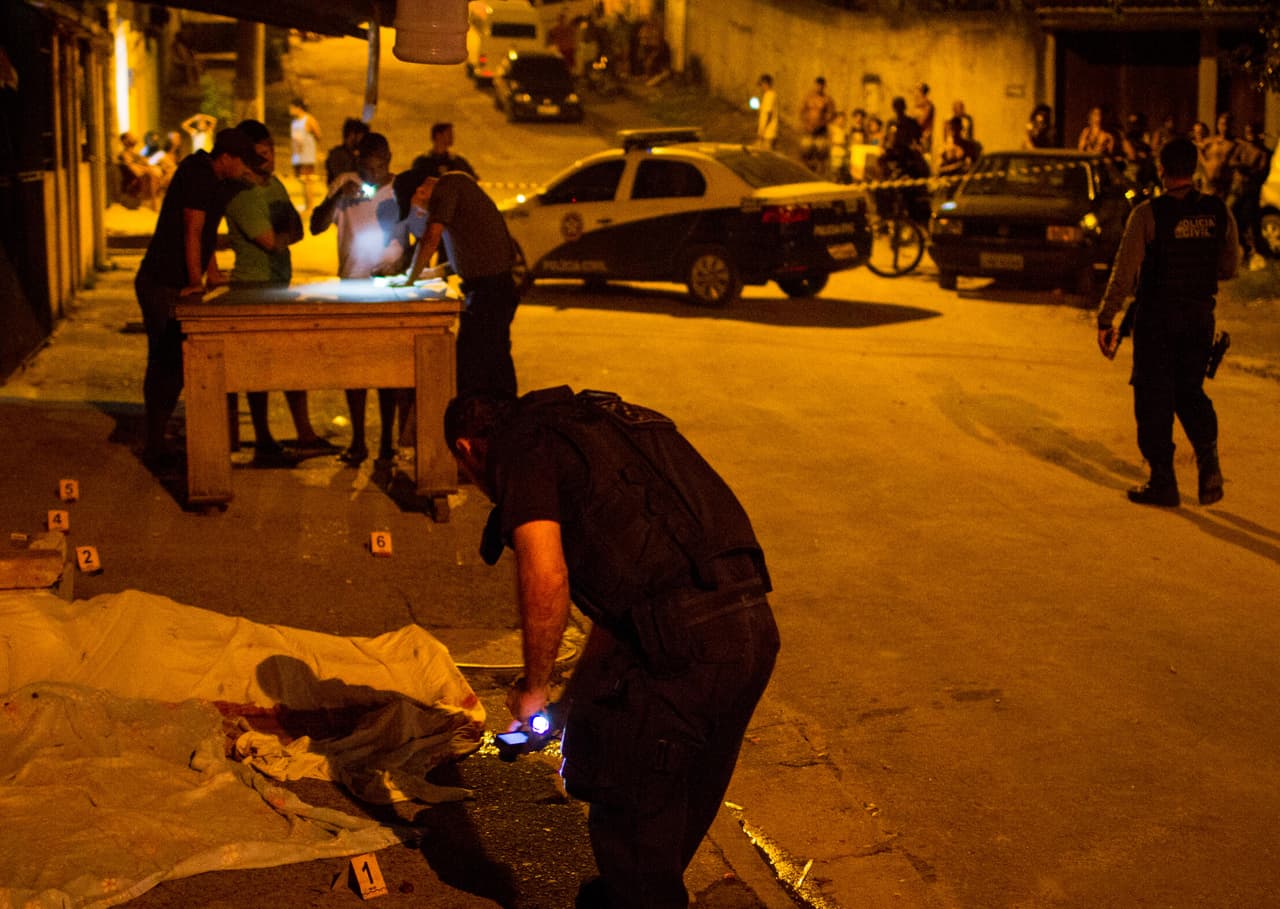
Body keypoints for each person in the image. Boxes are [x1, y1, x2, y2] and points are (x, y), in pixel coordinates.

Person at [443, 386, 779, 909]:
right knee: (672, 819)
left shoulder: (519, 446)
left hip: (682, 650)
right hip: (749, 632)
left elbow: (546, 573)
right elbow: (625, 600)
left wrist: (533, 688)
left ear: (467, 450)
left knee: (632, 813)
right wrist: (569, 701)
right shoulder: (599, 424)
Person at [1096, 137, 1239, 507]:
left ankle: (1163, 481)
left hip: (1157, 318)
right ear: (1193, 169)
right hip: (1199, 316)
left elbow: (1124, 272)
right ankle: (1208, 462)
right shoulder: (1219, 211)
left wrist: (1106, 317)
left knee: (1153, 397)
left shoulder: (1147, 213)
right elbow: (1229, 267)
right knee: (1190, 391)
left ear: (1161, 171)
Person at [133, 127, 261, 465]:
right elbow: (192, 228)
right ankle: (154, 441)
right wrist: (195, 280)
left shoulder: (214, 178)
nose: (244, 169)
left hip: (171, 280)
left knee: (174, 361)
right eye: (242, 162)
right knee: (166, 361)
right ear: (226, 158)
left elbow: (206, 232)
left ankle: (158, 438)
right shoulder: (198, 174)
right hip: (161, 281)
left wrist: (212, 272)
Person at [223, 119, 334, 463]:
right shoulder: (243, 196)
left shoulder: (275, 188)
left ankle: (304, 433)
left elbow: (296, 230)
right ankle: (264, 438)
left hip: (279, 285)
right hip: (252, 288)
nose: (270, 158)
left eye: (271, 150)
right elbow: (270, 241)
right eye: (262, 153)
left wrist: (284, 236)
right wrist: (283, 237)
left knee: (290, 360)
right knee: (258, 369)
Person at [310, 131, 412, 464]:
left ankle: (386, 442)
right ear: (358, 164)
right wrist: (336, 198)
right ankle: (357, 441)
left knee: (387, 371)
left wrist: (403, 269)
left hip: (388, 289)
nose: (373, 176)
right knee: (354, 369)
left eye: (379, 168)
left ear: (389, 160)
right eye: (366, 169)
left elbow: (416, 239)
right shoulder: (345, 184)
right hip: (351, 286)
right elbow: (315, 226)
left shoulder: (401, 189)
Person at [392, 167, 519, 397]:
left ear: (421, 192)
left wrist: (409, 280)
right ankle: (504, 419)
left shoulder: (447, 189)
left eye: (415, 207)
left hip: (489, 292)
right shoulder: (455, 189)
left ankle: (489, 422)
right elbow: (473, 249)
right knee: (494, 360)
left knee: (472, 366)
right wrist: (431, 273)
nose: (420, 212)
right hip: (490, 289)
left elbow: (431, 238)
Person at [411, 122, 478, 180]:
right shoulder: (423, 162)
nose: (452, 137)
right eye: (449, 134)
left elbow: (473, 181)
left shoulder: (458, 161)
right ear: (438, 135)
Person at [289, 97, 322, 214]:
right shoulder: (295, 122)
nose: (290, 110)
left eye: (292, 107)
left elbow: (318, 135)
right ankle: (306, 204)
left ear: (298, 108)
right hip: (298, 156)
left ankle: (310, 206)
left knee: (308, 181)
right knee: (302, 181)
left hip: (307, 155)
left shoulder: (309, 119)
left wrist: (316, 151)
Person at [798, 76, 836, 175]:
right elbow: (802, 111)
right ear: (815, 85)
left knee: (821, 154)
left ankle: (819, 176)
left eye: (821, 86)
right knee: (806, 151)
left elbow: (831, 115)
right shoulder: (808, 98)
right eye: (817, 85)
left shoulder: (827, 100)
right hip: (808, 130)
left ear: (824, 86)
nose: (819, 87)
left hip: (821, 131)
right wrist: (806, 124)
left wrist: (820, 124)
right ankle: (806, 173)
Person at [117, 131, 162, 210]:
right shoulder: (124, 153)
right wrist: (146, 168)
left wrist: (149, 166)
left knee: (157, 172)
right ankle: (154, 203)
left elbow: (146, 162)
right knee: (152, 174)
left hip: (141, 171)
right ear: (124, 141)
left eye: (133, 136)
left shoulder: (136, 151)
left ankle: (154, 202)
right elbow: (131, 166)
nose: (134, 138)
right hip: (135, 174)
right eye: (130, 137)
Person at [324, 117, 369, 187]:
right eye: (362, 136)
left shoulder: (362, 154)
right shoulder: (337, 155)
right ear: (351, 135)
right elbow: (341, 177)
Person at [755, 73, 777, 151]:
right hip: (767, 133)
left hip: (767, 134)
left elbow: (769, 115)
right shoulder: (768, 95)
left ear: (766, 84)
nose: (760, 87)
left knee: (765, 156)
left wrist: (761, 132)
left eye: (761, 85)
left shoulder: (769, 96)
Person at [912, 81, 935, 154]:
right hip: (916, 137)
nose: (914, 92)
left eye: (916, 89)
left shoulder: (928, 106)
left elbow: (921, 121)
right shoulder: (916, 105)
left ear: (921, 92)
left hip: (924, 137)